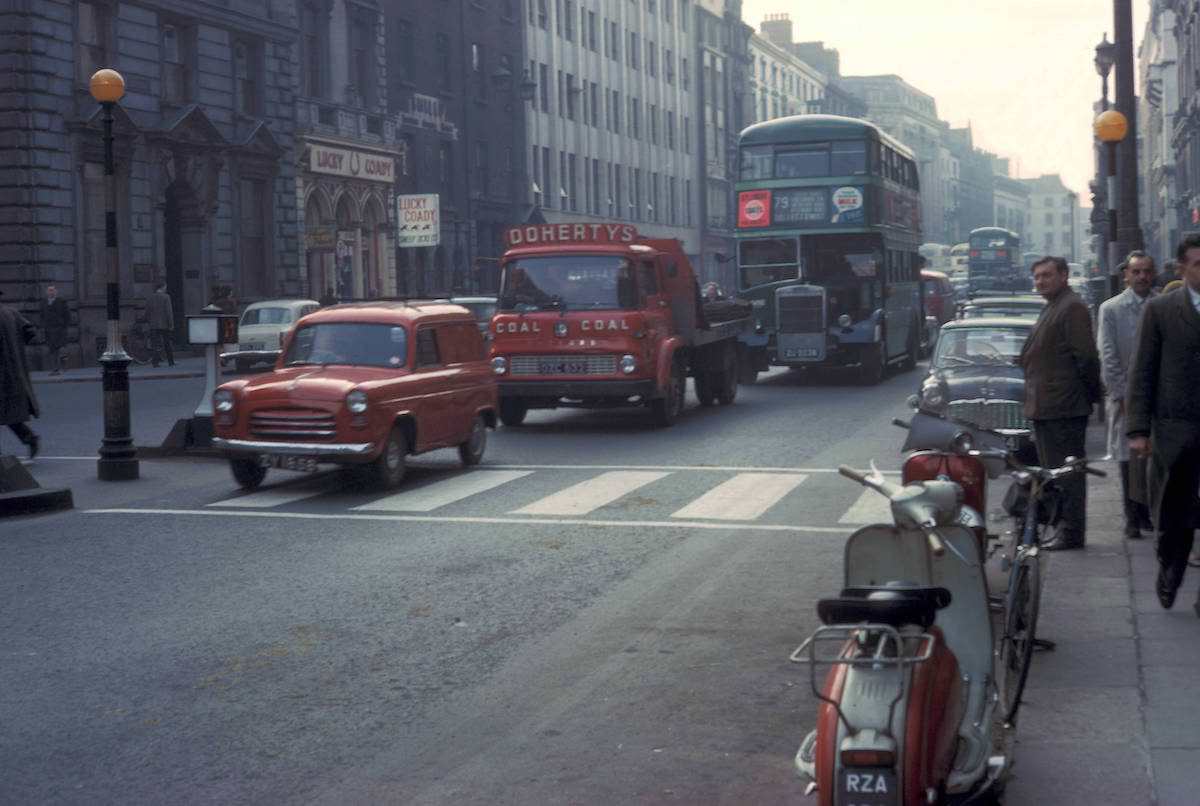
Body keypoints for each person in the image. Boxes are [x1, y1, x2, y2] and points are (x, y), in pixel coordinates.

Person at [1127, 233, 1200, 616]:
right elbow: (1142, 372)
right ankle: (1170, 567)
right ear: (1182, 268)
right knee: (1176, 515)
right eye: (1199, 264)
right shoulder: (1160, 310)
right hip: (1176, 431)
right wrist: (1138, 431)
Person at [1017, 256, 1104, 551]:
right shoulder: (1054, 306)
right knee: (1054, 473)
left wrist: (1092, 395)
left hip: (1063, 408)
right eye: (1037, 276)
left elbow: (1087, 358)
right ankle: (1063, 528)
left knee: (1068, 475)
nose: (1041, 281)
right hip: (1049, 407)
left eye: (1047, 275)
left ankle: (1072, 532)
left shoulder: (1072, 307)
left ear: (1064, 275)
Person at [1097, 252, 1157, 539]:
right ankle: (1132, 515)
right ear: (1127, 276)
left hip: (1158, 395)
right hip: (1125, 395)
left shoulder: (1162, 305)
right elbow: (1108, 355)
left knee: (1153, 456)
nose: (1142, 277)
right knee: (1127, 455)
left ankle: (1148, 512)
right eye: (1137, 272)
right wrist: (1121, 395)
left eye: (1147, 271)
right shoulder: (1112, 309)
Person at [0, 290, 40, 458]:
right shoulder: (12, 313)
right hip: (14, 373)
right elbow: (30, 333)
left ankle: (30, 439)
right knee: (11, 413)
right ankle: (30, 438)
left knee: (8, 412)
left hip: (3, 372)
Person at [39, 284, 69, 375]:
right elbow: (41, 315)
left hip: (59, 329)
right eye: (49, 290)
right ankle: (55, 368)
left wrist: (64, 326)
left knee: (61, 349)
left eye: (52, 290)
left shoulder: (61, 301)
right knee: (52, 350)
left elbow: (67, 315)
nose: (51, 292)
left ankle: (63, 367)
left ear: (56, 292)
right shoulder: (43, 302)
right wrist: (43, 326)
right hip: (49, 329)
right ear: (46, 292)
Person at [146, 281, 175, 367]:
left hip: (153, 324)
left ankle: (155, 362)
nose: (166, 289)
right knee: (167, 343)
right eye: (165, 287)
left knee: (154, 344)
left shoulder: (150, 297)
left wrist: (149, 321)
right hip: (164, 324)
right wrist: (171, 324)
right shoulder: (166, 297)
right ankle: (171, 361)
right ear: (162, 287)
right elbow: (169, 312)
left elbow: (147, 311)